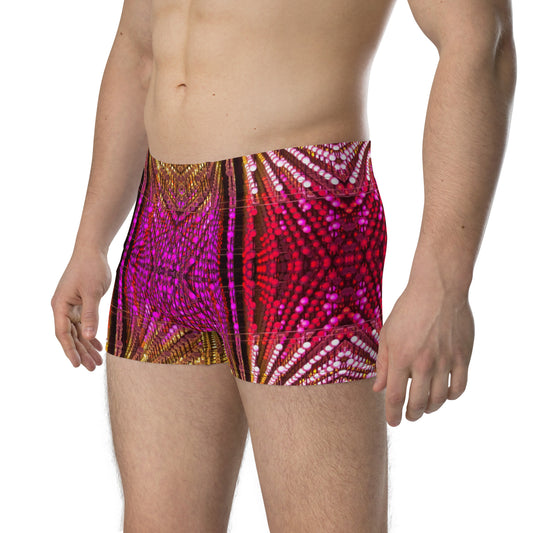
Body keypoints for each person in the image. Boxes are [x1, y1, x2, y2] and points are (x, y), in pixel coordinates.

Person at [50, 0, 516, 531]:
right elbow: (139, 51)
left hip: (294, 207)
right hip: (162, 218)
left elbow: (480, 37)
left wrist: (443, 280)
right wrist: (91, 240)